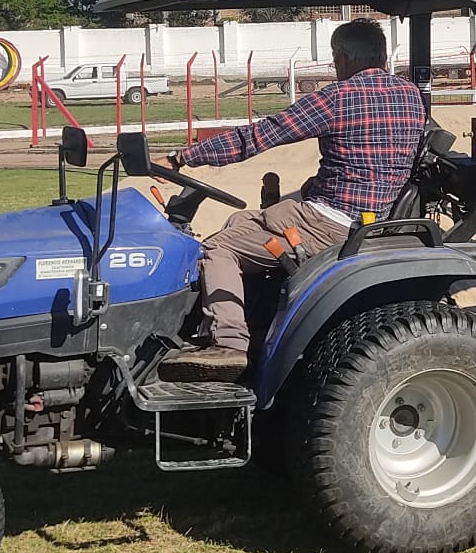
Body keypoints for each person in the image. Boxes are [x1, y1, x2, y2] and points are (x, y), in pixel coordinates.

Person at [161, 19, 427, 382]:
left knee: (216, 248)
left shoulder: (338, 98)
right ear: (381, 56)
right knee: (239, 221)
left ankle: (229, 343)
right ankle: (257, 323)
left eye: (335, 60)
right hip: (371, 217)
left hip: (326, 222)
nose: (335, 67)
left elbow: (259, 136)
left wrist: (182, 157)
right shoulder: (410, 95)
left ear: (344, 57)